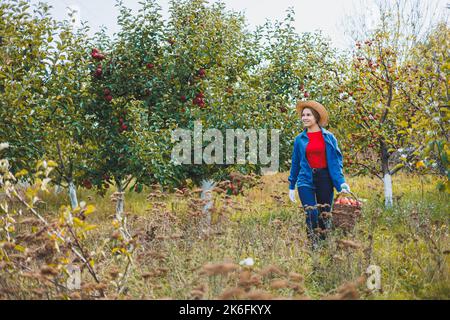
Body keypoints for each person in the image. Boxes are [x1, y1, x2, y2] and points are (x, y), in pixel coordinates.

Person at [288, 100, 351, 250]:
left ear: (316, 117)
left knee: (324, 214)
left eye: (308, 115)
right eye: (303, 115)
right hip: (305, 179)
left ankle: (324, 244)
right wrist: (292, 185)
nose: (305, 118)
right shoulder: (299, 139)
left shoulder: (329, 137)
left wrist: (341, 182)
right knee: (311, 213)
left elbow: (335, 163)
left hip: (325, 179)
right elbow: (295, 163)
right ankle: (313, 245)